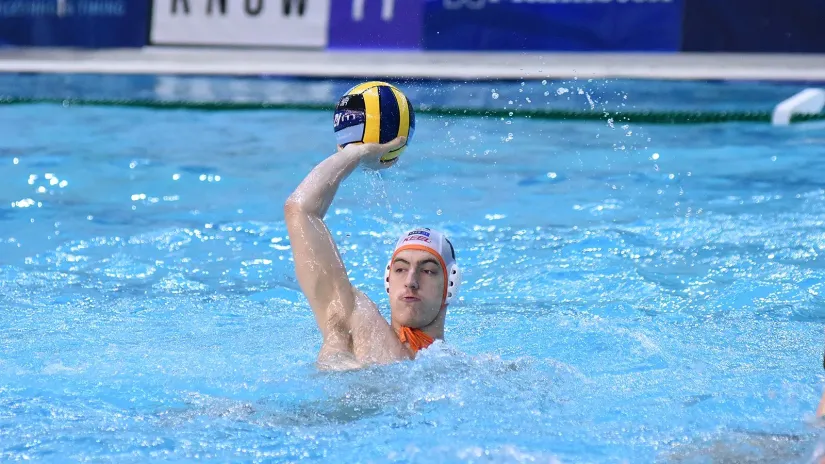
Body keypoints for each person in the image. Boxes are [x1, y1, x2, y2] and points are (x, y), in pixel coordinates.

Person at [284, 136, 462, 370]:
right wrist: (354, 154)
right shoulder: (358, 324)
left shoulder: (462, 370)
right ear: (387, 278)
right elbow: (300, 209)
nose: (411, 281)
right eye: (400, 269)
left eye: (428, 270)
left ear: (450, 285)